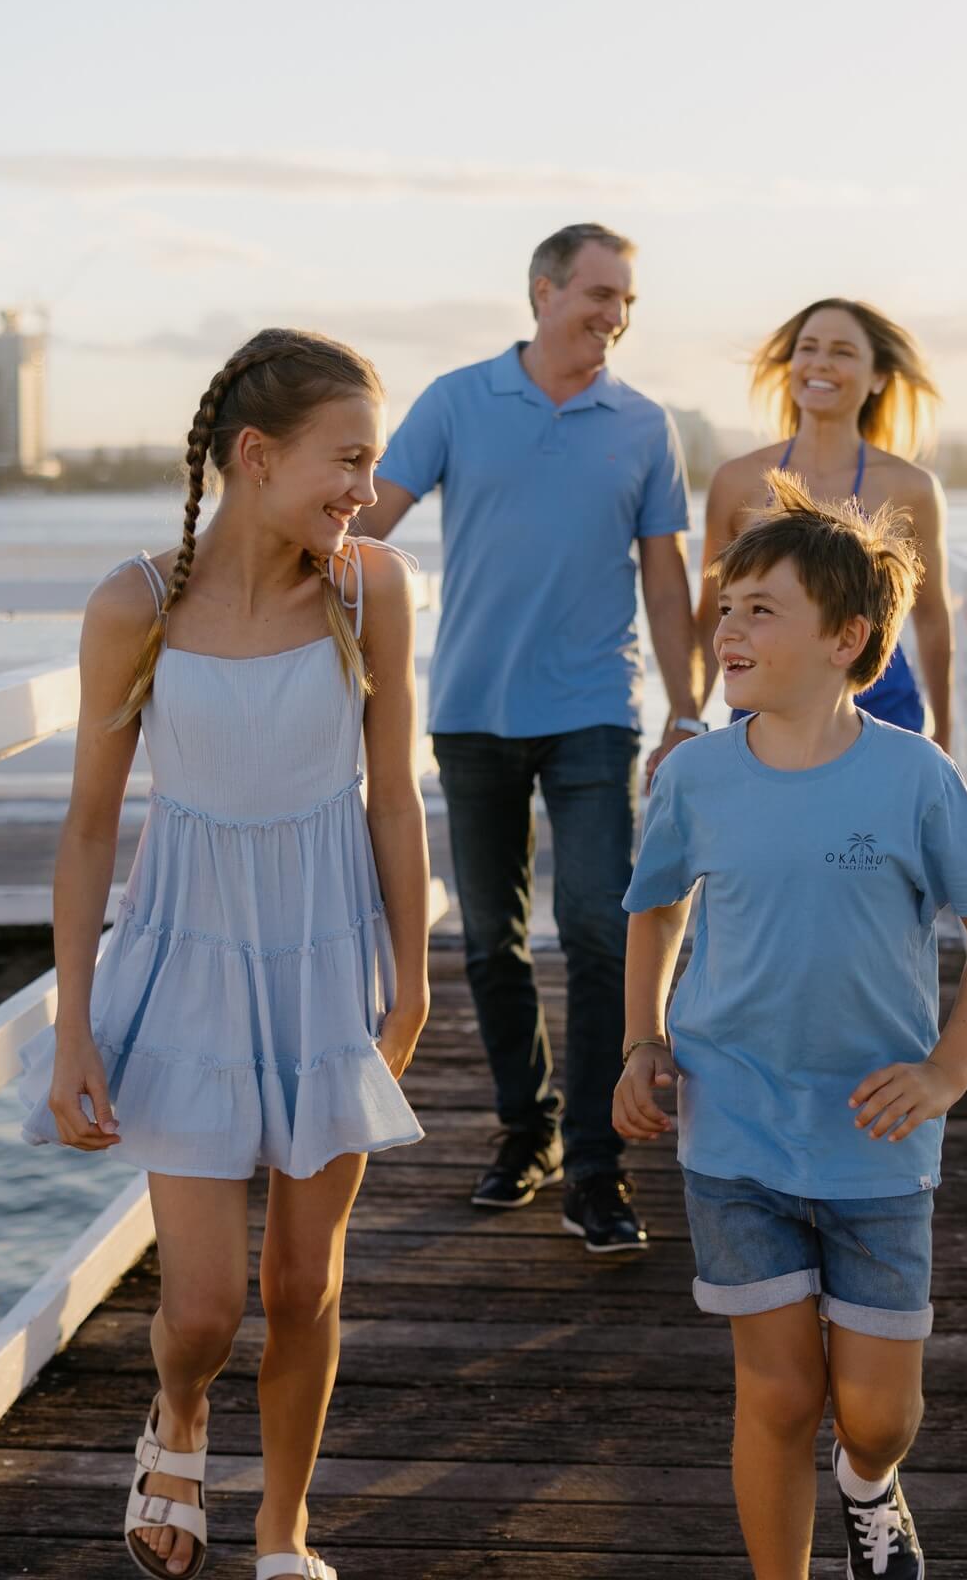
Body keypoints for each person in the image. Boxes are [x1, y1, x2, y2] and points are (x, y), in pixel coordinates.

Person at [19, 328, 431, 1580]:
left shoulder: (371, 590)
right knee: (202, 1307)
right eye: (347, 458)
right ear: (256, 457)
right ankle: (182, 1411)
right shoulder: (134, 605)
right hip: (187, 963)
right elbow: (91, 827)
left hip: (328, 965)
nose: (366, 488)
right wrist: (74, 1026)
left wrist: (412, 985)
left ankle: (283, 1531)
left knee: (303, 1283)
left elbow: (394, 799)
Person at [614, 474, 967, 1579]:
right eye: (728, 604)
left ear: (847, 641)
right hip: (734, 1126)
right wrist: (640, 1043)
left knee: (878, 1413)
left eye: (762, 609)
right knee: (782, 1391)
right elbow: (655, 913)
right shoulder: (695, 776)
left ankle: (868, 1486)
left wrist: (947, 1070)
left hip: (878, 1139)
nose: (729, 628)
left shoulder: (914, 778)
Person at [357, 222, 698, 1253]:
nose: (615, 316)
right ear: (543, 290)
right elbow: (366, 521)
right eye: (599, 294)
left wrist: (685, 711)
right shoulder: (458, 400)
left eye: (627, 301)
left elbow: (667, 578)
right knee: (489, 942)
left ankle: (598, 1168)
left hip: (596, 710)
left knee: (600, 929)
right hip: (470, 713)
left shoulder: (644, 425)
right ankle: (528, 1129)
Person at [691, 298, 951, 750]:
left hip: (884, 705)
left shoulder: (912, 488)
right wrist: (687, 719)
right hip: (763, 705)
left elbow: (931, 618)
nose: (820, 363)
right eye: (808, 348)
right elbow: (712, 614)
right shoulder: (736, 481)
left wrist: (943, 732)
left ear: (878, 377)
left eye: (842, 352)